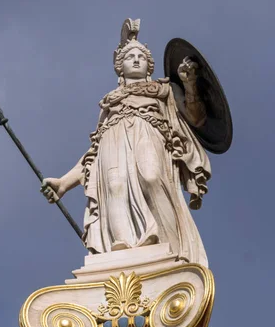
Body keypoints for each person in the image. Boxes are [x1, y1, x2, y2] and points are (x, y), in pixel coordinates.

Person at [41, 22, 211, 265]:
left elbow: (195, 117)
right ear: (119, 66)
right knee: (114, 185)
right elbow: (93, 153)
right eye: (130, 56)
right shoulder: (110, 103)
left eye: (141, 56)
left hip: (149, 132)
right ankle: (121, 245)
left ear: (149, 66)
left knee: (152, 177)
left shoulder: (163, 89)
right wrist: (64, 183)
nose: (135, 60)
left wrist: (190, 84)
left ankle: (171, 248)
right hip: (114, 138)